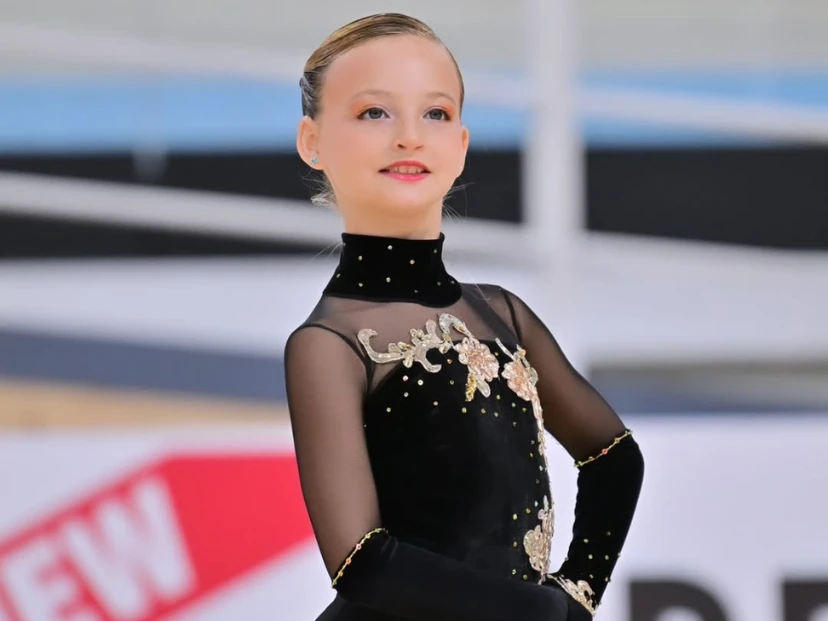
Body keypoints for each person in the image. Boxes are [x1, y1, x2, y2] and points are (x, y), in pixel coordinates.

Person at [284, 13, 644, 621]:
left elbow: (613, 456)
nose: (409, 137)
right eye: (375, 112)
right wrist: (542, 615)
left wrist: (577, 594)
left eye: (436, 114)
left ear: (461, 146)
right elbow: (362, 561)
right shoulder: (329, 345)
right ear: (312, 141)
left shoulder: (502, 312)